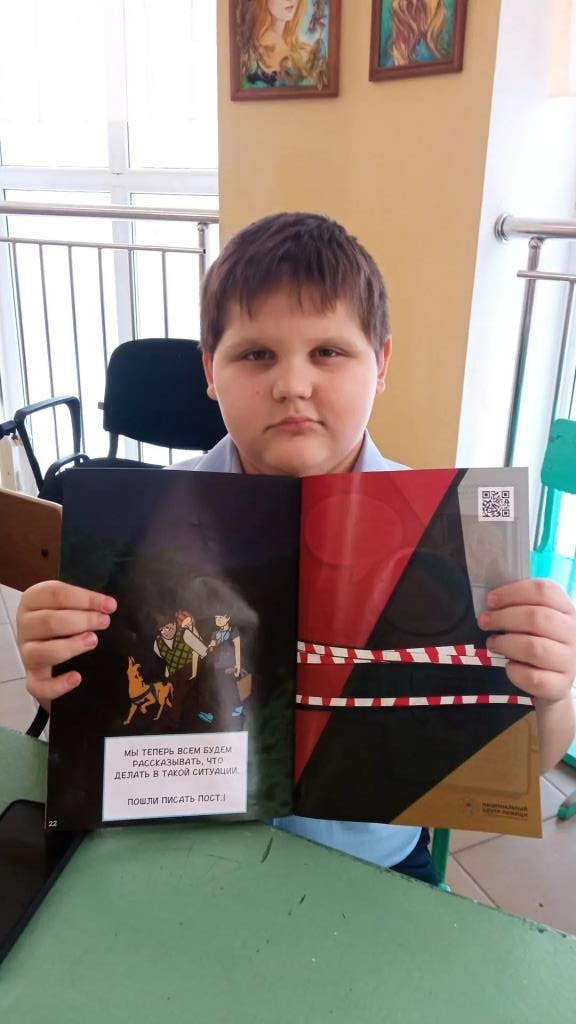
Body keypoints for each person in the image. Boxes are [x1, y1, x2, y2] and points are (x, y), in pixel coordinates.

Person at [16, 212, 576, 885]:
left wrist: (551, 693)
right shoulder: (137, 529)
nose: (292, 385)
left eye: (328, 352)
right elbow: (103, 720)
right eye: (256, 354)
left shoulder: (458, 532)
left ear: (382, 363)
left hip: (370, 868)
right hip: (181, 850)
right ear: (210, 371)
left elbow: (527, 763)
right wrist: (61, 676)